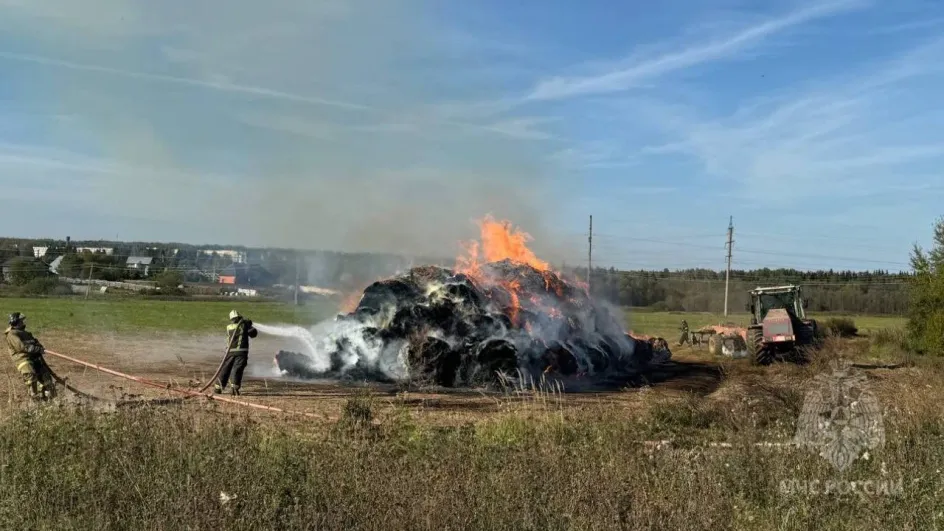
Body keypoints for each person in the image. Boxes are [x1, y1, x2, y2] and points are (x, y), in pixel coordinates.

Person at [4, 312, 56, 401]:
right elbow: (21, 347)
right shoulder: (12, 334)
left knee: (46, 377)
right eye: (21, 321)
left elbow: (35, 343)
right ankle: (35, 399)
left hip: (35, 358)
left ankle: (49, 398)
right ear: (16, 322)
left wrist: (39, 347)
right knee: (31, 376)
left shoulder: (27, 333)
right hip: (23, 359)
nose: (23, 323)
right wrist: (37, 349)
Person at [214, 310, 257, 396]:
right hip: (241, 352)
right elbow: (253, 334)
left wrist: (247, 324)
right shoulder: (244, 325)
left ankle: (218, 387)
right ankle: (234, 387)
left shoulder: (229, 327)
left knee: (225, 368)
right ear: (239, 317)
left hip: (229, 352)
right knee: (237, 369)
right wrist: (249, 324)